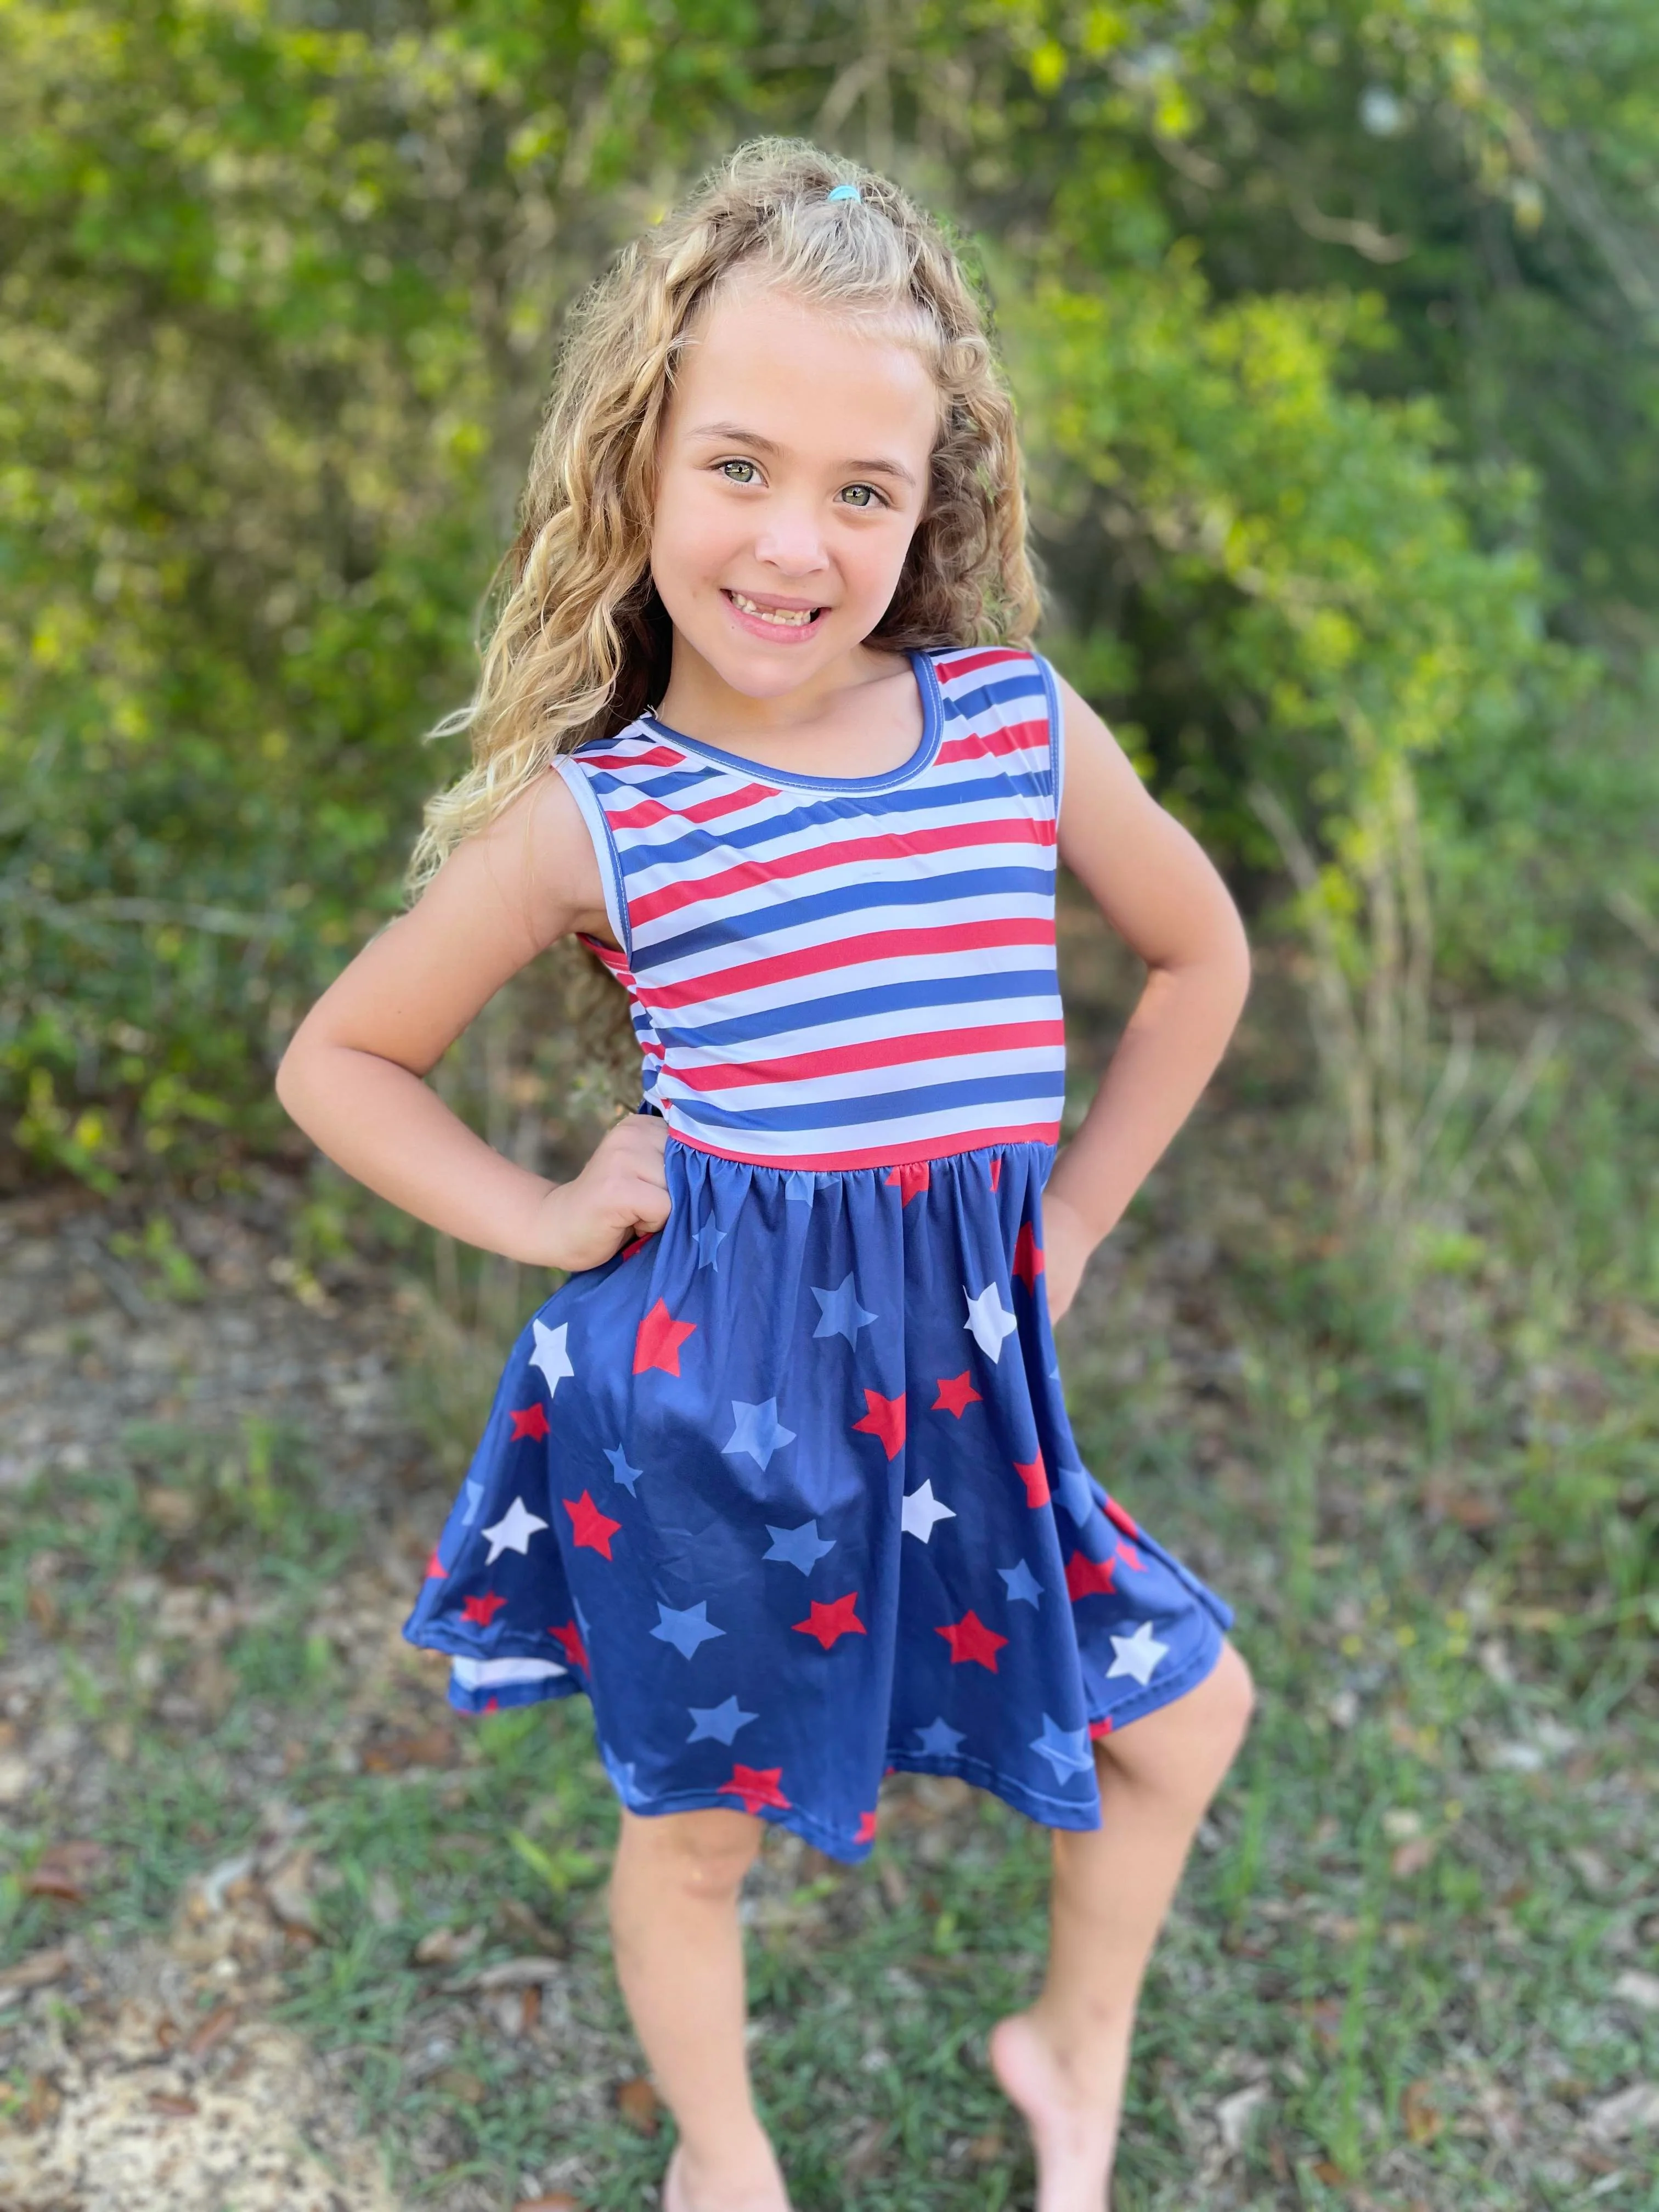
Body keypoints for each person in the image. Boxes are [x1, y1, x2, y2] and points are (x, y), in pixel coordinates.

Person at [275, 137, 1255, 2212]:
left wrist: (1069, 1226)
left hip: (970, 1403)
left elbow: (1201, 953)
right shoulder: (602, 814)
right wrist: (545, 1218)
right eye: (739, 465)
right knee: (699, 1834)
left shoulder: (1011, 730)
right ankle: (724, 2157)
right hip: (713, 1430)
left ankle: (1068, 2046)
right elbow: (342, 1058)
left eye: (861, 490)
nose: (794, 540)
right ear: (639, 463)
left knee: (1181, 1716)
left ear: (930, 505)